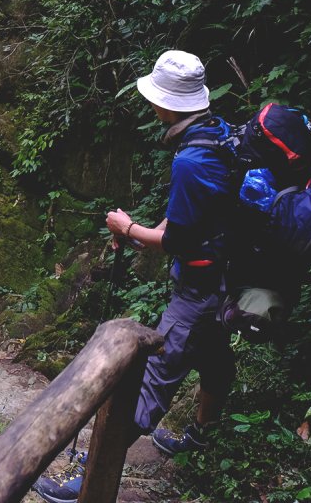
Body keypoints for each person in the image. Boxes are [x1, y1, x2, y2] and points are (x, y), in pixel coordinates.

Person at [33, 50, 239, 503]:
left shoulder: (190, 160)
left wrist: (127, 229)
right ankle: (202, 435)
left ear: (168, 103)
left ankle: (86, 479)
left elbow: (179, 240)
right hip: (228, 279)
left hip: (201, 289)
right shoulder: (217, 133)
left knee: (153, 379)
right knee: (216, 360)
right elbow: (197, 216)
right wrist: (146, 231)